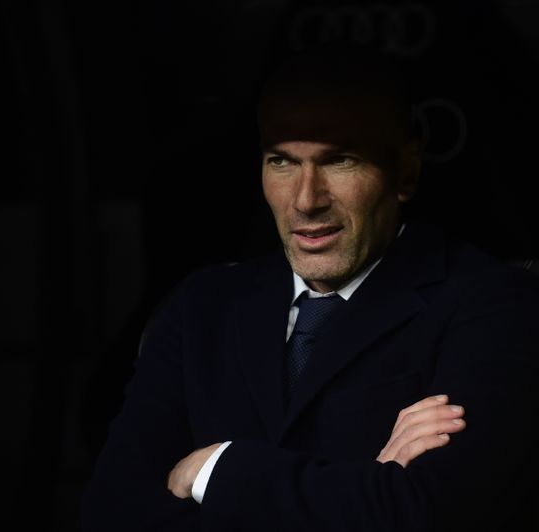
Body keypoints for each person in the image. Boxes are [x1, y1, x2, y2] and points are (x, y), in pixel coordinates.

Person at [80, 42, 539, 531]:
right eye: (282, 161)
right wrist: (367, 486)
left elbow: (434, 514)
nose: (305, 199)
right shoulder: (202, 305)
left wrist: (213, 469)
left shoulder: (494, 305)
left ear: (404, 171)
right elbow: (112, 512)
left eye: (339, 160)